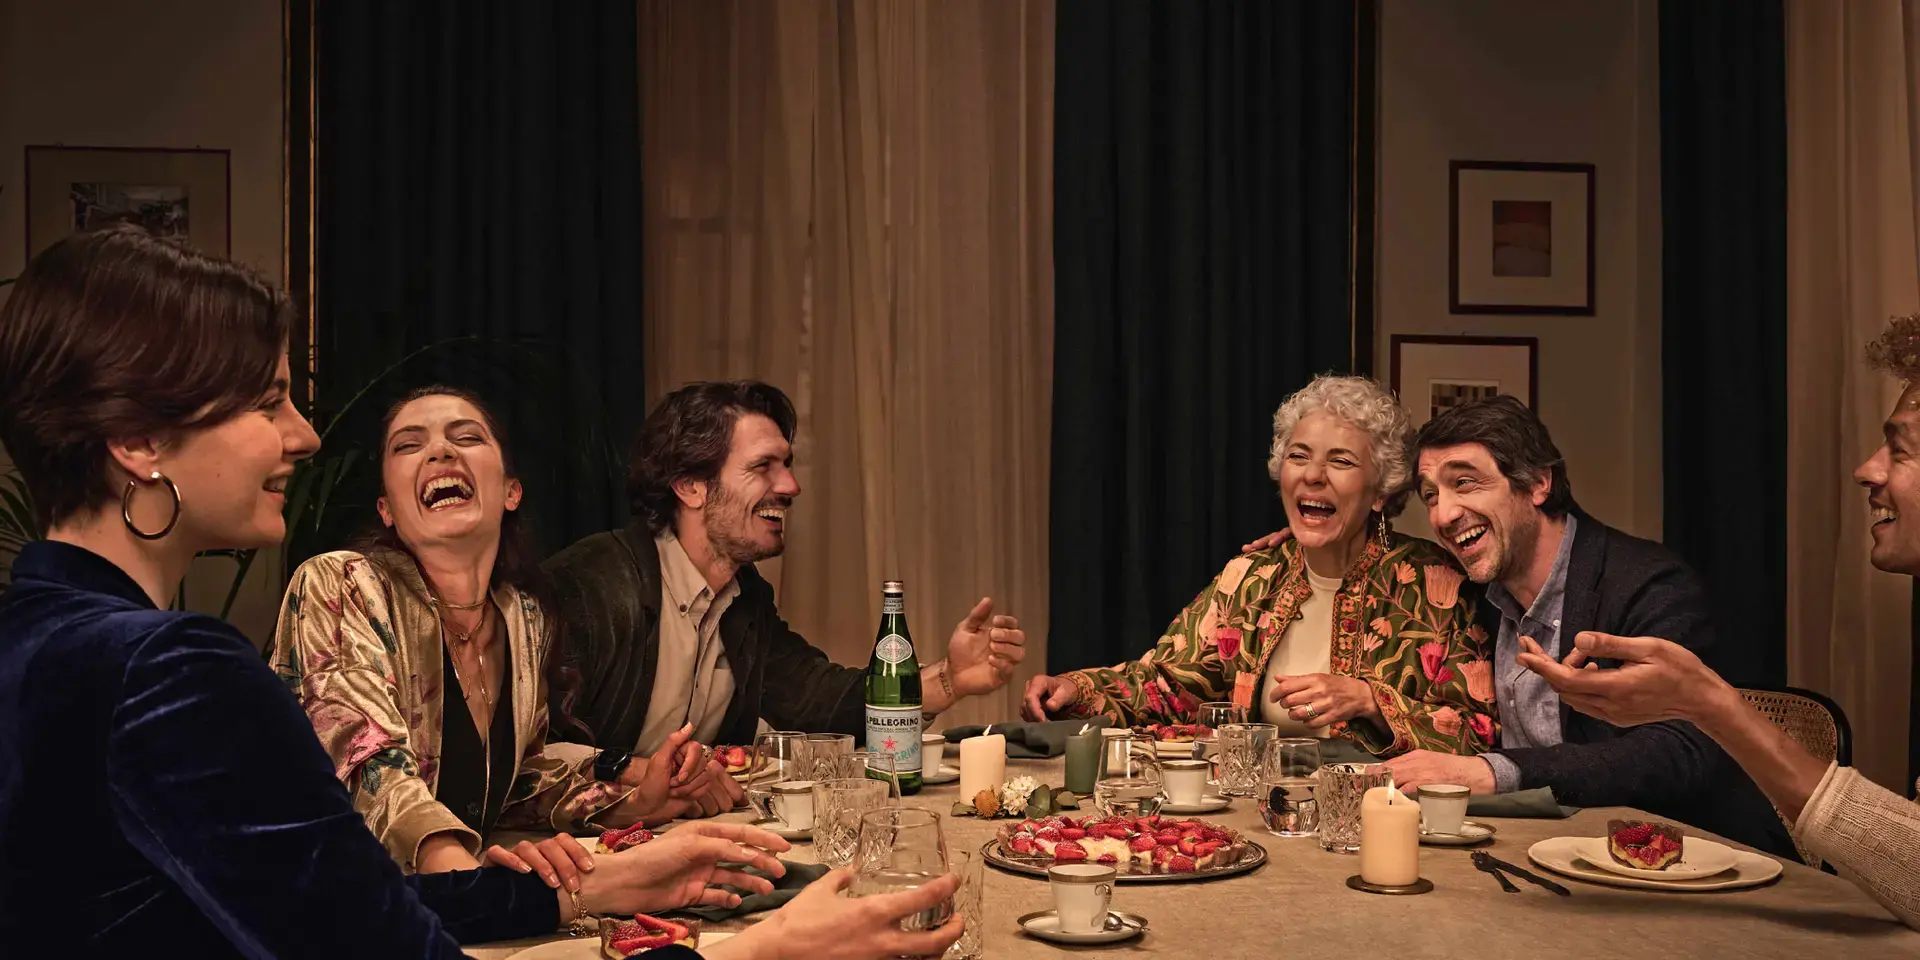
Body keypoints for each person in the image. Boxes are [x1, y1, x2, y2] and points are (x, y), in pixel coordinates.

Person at [0, 225, 967, 960]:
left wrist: (587, 888)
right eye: (267, 402)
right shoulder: (169, 671)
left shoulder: (43, 633)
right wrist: (759, 948)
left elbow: (331, 907)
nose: (301, 435)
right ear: (136, 442)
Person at [1248, 395, 1790, 855]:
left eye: (1467, 483)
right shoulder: (1475, 592)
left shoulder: (1646, 584)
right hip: (1548, 862)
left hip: (1694, 871)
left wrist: (1495, 771)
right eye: (1432, 494)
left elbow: (1682, 751)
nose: (1443, 514)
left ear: (1536, 484)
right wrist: (1306, 547)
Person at [1518, 314, 1920, 929]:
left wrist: (1710, 704)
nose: (1867, 470)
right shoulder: (1464, 598)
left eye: (1901, 448)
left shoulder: (1646, 578)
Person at [269, 386, 728, 880]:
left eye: (466, 437)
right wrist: (475, 886)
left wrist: (635, 797)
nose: (441, 451)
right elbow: (367, 766)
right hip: (333, 907)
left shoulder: (522, 616)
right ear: (387, 509)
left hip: (450, 905)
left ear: (511, 491)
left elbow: (515, 784)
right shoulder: (342, 585)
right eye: (408, 445)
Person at [544, 380, 1028, 762]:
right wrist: (637, 782)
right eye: (763, 467)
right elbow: (531, 756)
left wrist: (952, 679)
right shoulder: (592, 586)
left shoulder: (743, 596)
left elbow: (819, 700)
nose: (791, 486)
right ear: (691, 486)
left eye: (788, 465)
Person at [1021, 376, 1494, 757]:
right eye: (1298, 456)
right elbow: (1167, 685)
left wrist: (1372, 702)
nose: (1312, 475)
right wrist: (1074, 687)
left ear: (1381, 492)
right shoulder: (1250, 578)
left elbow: (1484, 735)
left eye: (1341, 461)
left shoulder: (1438, 588)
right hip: (1261, 819)